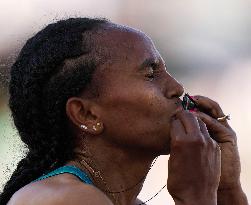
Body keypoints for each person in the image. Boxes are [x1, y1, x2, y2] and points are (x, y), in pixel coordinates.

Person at [0, 17, 248, 205]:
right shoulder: (61, 199)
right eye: (151, 74)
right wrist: (195, 196)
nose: (176, 88)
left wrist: (226, 189)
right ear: (87, 115)